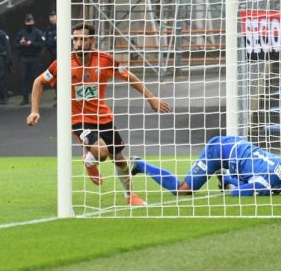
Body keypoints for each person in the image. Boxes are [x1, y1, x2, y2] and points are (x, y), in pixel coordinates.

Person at [26, 23, 172, 206]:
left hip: (103, 117)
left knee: (119, 159)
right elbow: (38, 82)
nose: (78, 43)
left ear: (92, 41)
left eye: (83, 39)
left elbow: (130, 76)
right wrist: (34, 110)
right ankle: (89, 162)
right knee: (101, 151)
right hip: (78, 119)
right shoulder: (63, 63)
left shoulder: (104, 60)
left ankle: (130, 197)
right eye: (76, 39)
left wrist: (151, 98)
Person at [131, 135, 281, 197]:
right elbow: (235, 192)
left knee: (246, 175)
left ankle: (221, 174)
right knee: (183, 190)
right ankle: (141, 164)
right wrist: (229, 180)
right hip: (216, 151)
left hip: (237, 146)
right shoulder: (266, 182)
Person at [15, 14, 45, 105]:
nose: (29, 23)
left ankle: (37, 98)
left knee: (36, 79)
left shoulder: (38, 32)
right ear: (25, 22)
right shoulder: (21, 33)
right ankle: (25, 98)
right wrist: (21, 43)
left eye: (30, 21)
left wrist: (32, 43)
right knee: (24, 78)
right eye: (27, 21)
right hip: (24, 58)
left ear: (33, 22)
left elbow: (42, 44)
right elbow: (15, 45)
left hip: (34, 57)